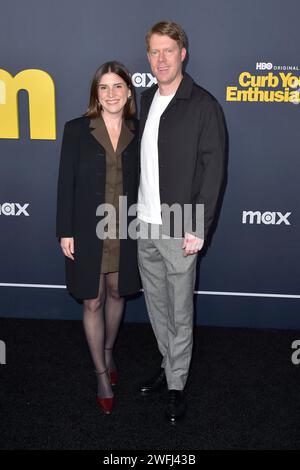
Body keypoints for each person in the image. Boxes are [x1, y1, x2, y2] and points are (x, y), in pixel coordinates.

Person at [137, 21, 225, 423]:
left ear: (183, 53)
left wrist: (198, 227)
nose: (160, 59)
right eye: (154, 52)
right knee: (156, 306)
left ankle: (177, 383)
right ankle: (167, 363)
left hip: (180, 226)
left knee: (179, 310)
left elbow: (212, 172)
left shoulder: (203, 104)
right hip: (144, 224)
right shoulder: (144, 98)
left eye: (168, 50)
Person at [56, 61, 140, 415]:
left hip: (127, 228)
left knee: (117, 292)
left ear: (128, 92)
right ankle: (101, 374)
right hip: (88, 229)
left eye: (117, 86)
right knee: (92, 300)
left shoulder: (140, 129)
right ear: (96, 94)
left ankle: (108, 349)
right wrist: (65, 230)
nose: (111, 94)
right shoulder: (77, 129)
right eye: (104, 87)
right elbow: (66, 182)